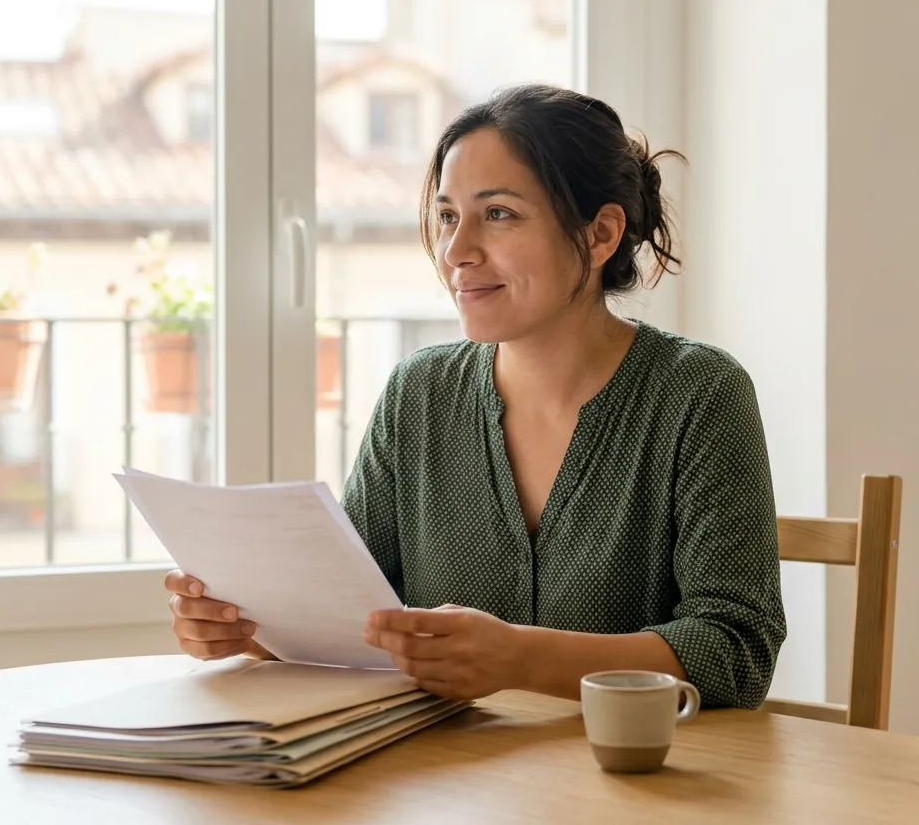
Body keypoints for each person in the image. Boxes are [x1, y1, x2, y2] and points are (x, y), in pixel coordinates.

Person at [165, 84, 787, 710]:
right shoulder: (418, 394)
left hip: (635, 768)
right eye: (447, 217)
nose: (457, 252)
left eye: (498, 214)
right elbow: (351, 617)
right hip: (448, 767)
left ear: (600, 235)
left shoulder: (699, 392)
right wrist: (251, 630)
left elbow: (737, 650)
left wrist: (520, 658)